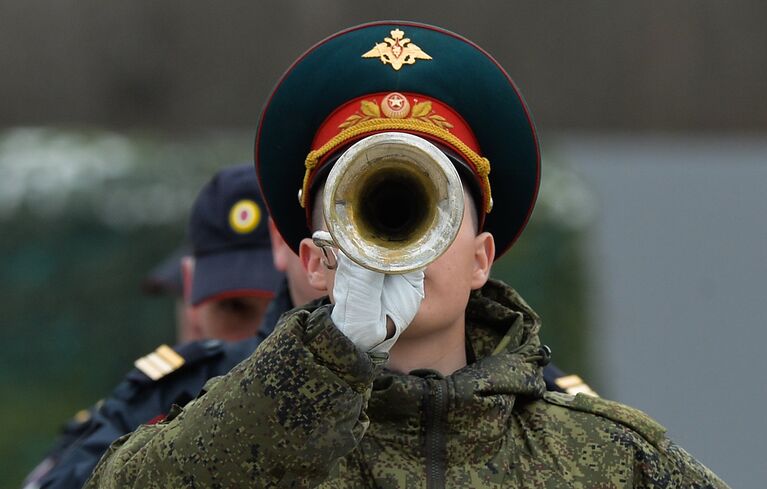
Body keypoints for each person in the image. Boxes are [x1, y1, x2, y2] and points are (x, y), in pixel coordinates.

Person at [81, 21, 727, 488]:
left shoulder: (611, 459)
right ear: (312, 261)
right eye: (367, 208)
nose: (400, 249)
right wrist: (321, 361)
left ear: (482, 257)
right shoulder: (240, 436)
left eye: (424, 205)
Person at [20, 163, 283, 489]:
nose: (258, 338)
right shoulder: (146, 405)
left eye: (281, 312)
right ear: (189, 293)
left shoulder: (342, 403)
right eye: (234, 309)